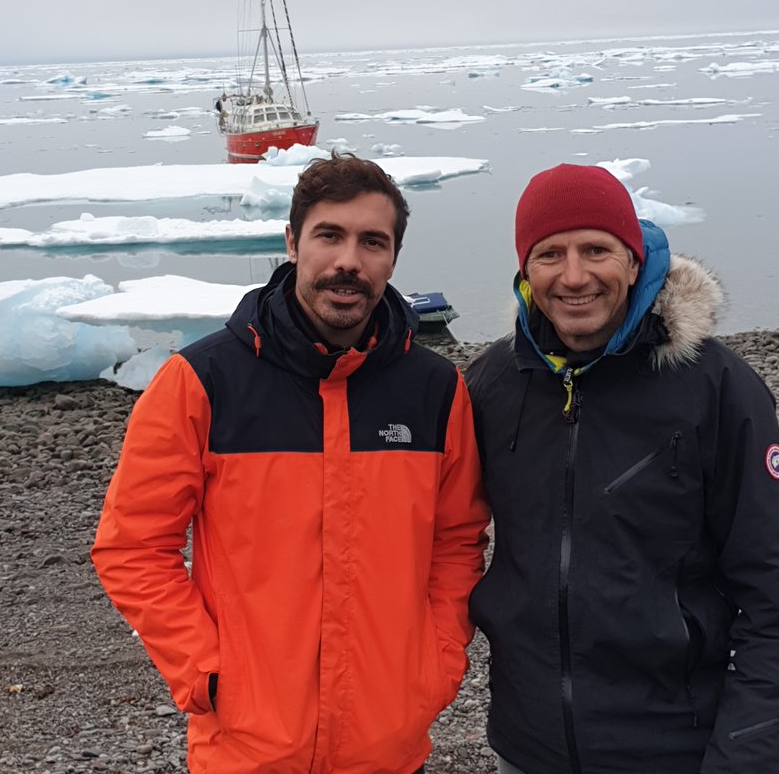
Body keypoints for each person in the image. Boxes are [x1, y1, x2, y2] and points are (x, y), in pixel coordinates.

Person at [93, 152, 489, 774]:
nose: (348, 261)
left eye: (372, 242)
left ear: (393, 258)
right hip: (246, 747)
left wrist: (435, 664)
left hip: (387, 745)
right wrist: (205, 670)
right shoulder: (202, 381)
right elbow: (133, 547)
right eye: (329, 235)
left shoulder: (435, 391)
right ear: (292, 243)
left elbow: (457, 541)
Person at [465, 162, 779, 774]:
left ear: (633, 262)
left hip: (673, 746)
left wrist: (746, 751)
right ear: (525, 271)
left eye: (596, 250)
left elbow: (770, 589)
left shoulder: (716, 389)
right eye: (549, 254)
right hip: (528, 746)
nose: (573, 276)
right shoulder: (495, 383)